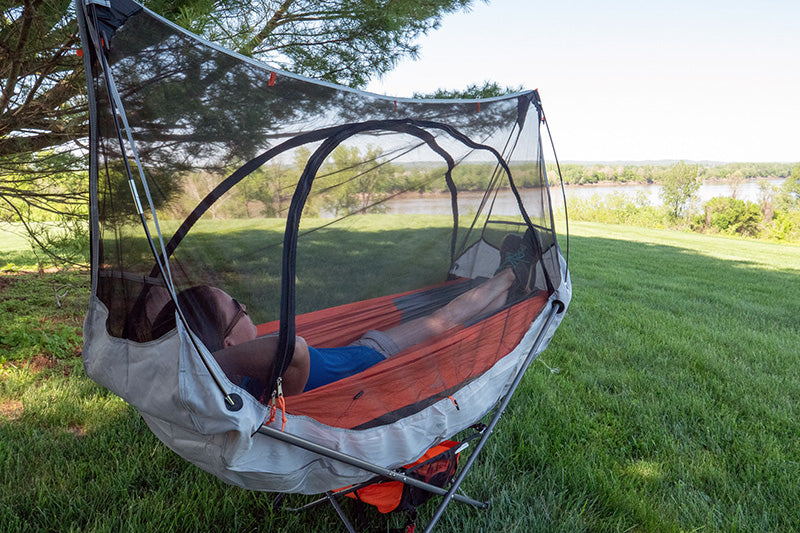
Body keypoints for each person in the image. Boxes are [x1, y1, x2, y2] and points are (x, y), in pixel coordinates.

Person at [152, 232, 537, 396]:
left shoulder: (236, 383)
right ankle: (511, 273)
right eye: (238, 309)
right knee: (448, 318)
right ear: (229, 344)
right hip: (377, 353)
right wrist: (210, 361)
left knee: (453, 315)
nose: (248, 307)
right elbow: (296, 348)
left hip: (360, 343)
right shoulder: (264, 389)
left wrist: (204, 361)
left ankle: (501, 297)